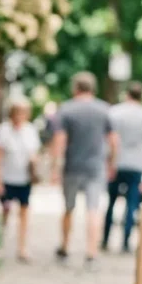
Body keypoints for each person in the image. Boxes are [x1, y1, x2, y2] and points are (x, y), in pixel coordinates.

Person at [51, 71, 117, 268]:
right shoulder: (105, 110)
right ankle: (91, 253)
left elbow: (59, 141)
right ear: (92, 88)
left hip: (73, 166)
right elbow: (114, 141)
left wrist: (55, 167)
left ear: (76, 87)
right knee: (93, 209)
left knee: (69, 208)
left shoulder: (66, 109)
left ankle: (64, 247)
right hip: (96, 167)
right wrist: (111, 164)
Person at [103, 81, 142, 253]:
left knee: (111, 202)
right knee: (132, 204)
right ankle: (126, 242)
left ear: (127, 94)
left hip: (117, 164)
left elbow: (112, 141)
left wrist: (110, 163)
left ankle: (105, 239)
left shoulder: (115, 112)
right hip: (136, 164)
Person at [0, 99, 40, 262]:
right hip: (7, 178)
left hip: (24, 179)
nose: (20, 116)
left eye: (23, 113)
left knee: (24, 212)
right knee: (5, 211)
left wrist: (35, 166)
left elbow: (34, 153)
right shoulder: (3, 130)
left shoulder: (30, 130)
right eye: (17, 113)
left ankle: (22, 247)